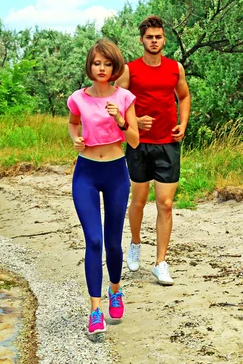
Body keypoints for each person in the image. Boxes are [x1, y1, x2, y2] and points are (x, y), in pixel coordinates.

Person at [67, 39, 140, 335]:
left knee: (112, 242)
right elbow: (73, 123)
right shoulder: (78, 98)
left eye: (107, 64)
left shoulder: (125, 97)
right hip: (85, 172)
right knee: (93, 241)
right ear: (90, 65)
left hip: (115, 172)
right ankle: (95, 310)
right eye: (97, 63)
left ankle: (115, 290)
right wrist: (75, 138)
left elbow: (134, 140)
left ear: (114, 67)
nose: (101, 68)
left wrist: (120, 119)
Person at [115, 15, 190, 286]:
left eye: (158, 37)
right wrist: (135, 122)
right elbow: (115, 102)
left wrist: (183, 123)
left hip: (168, 144)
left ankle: (160, 263)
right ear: (142, 40)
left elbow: (183, 96)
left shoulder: (174, 68)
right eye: (150, 37)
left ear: (164, 39)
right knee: (138, 200)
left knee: (166, 205)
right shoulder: (129, 70)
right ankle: (135, 243)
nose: (154, 41)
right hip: (138, 144)